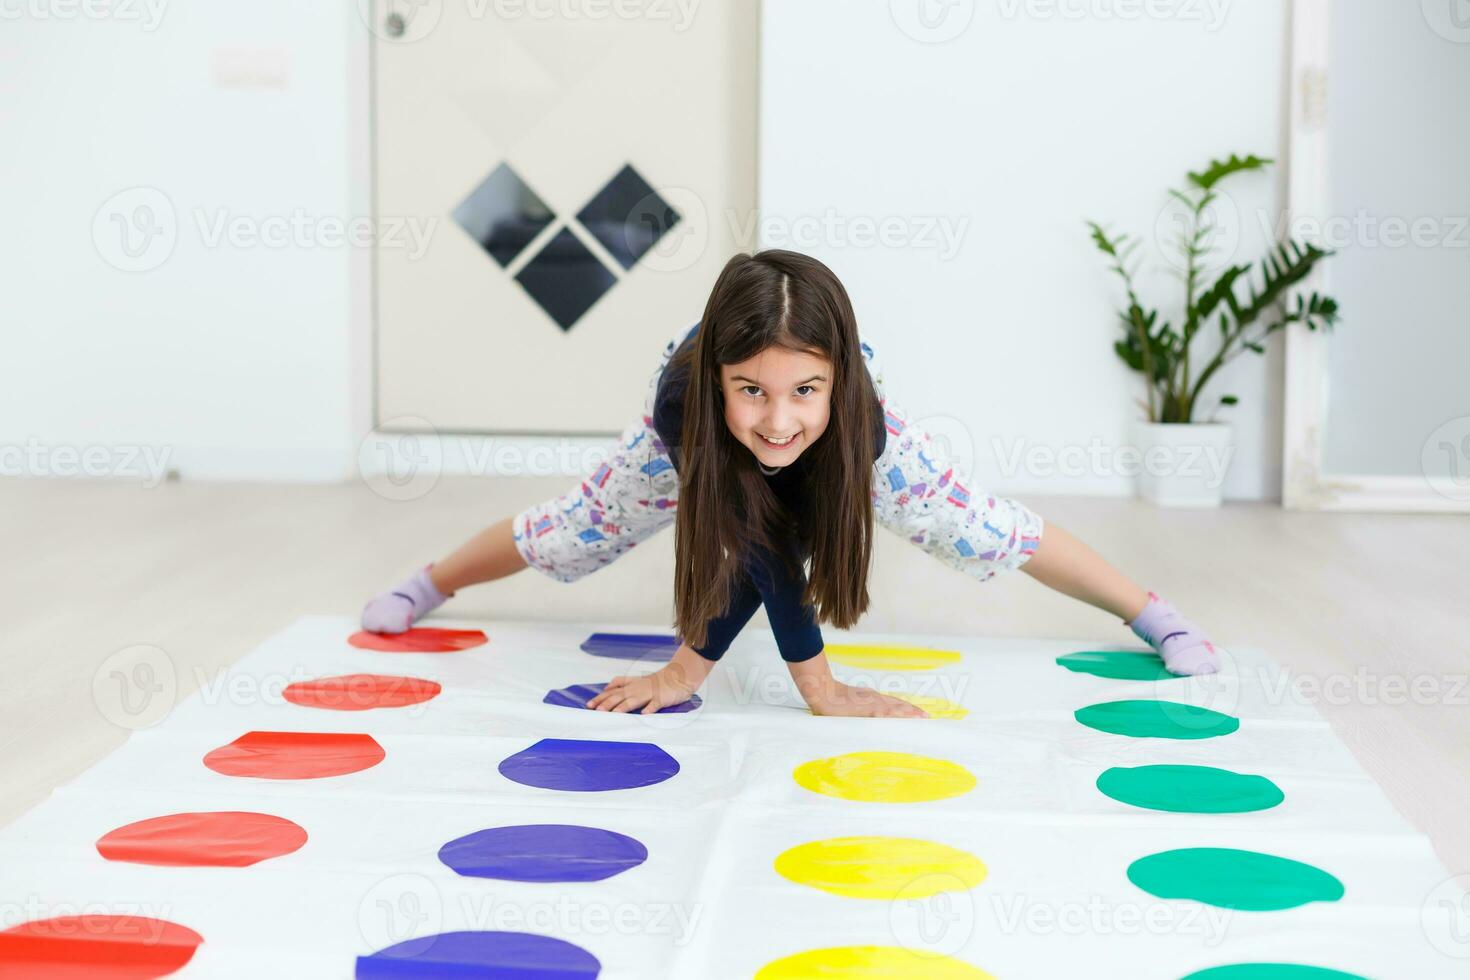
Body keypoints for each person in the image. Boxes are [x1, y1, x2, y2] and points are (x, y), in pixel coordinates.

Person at [362, 250, 1221, 717]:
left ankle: (1154, 613)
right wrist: (750, 679)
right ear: (719, 383)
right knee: (567, 533)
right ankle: (425, 581)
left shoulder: (857, 422)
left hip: (850, 437)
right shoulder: (683, 407)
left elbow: (791, 544)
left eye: (802, 390)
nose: (778, 422)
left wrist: (774, 680)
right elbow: (758, 553)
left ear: (836, 381)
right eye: (753, 391)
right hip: (694, 437)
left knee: (985, 530)